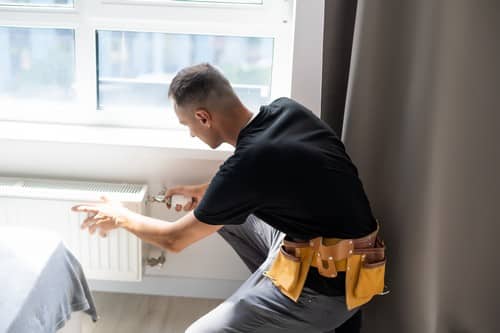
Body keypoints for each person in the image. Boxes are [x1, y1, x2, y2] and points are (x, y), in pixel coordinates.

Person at [72, 63, 386, 332]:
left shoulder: (250, 163)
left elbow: (174, 240)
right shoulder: (286, 111)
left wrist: (120, 216)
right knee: (222, 217)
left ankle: (282, 308)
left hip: (326, 292)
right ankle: (269, 297)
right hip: (351, 261)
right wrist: (201, 193)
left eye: (188, 125)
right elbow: (260, 180)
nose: (191, 134)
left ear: (203, 117)